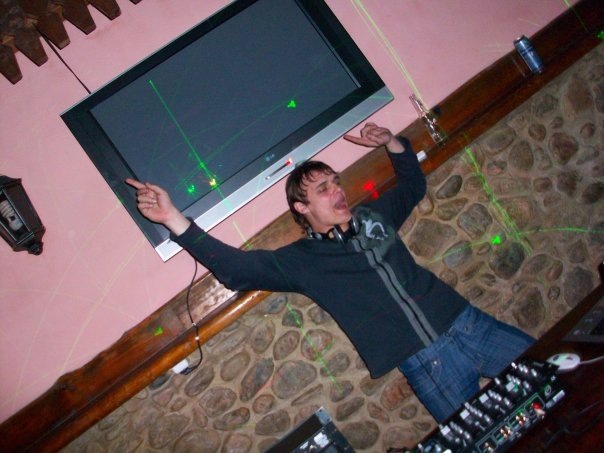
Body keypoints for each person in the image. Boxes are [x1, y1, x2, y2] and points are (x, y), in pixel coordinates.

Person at [126, 122, 534, 422]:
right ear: (301, 208)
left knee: (555, 370)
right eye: (323, 189)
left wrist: (392, 143)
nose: (337, 190)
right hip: (429, 364)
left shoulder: (374, 217)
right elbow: (236, 270)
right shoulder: (303, 261)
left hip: (469, 325)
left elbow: (413, 187)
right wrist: (174, 219)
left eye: (335, 182)